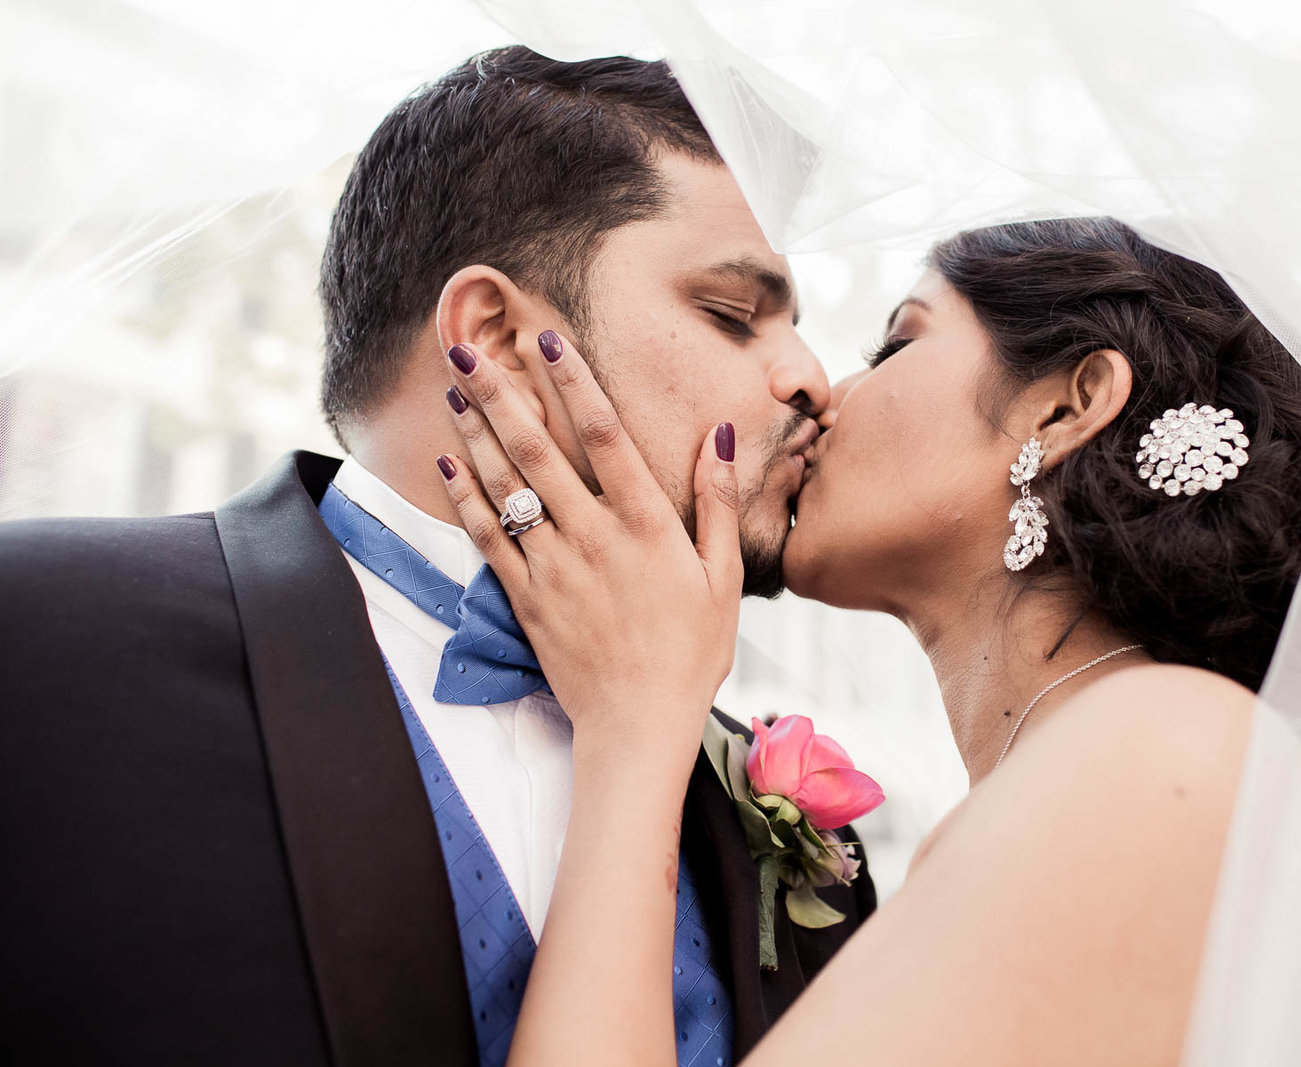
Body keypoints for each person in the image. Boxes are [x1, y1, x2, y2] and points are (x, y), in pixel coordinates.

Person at [0, 47, 874, 1066]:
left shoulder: (802, 830)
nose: (813, 378)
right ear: (494, 336)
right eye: (733, 312)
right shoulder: (43, 638)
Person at [433, 216, 1301, 1064]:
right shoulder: (1063, 783)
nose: (823, 390)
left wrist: (635, 728)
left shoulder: (1166, 746)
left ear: (1067, 410)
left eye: (899, 342)